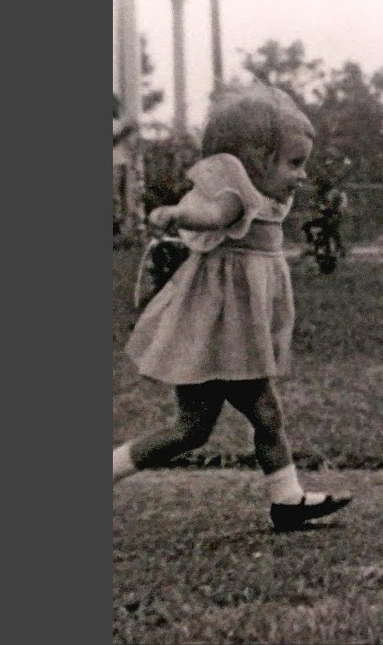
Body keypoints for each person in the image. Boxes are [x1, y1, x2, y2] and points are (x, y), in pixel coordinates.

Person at [112, 83, 353, 532]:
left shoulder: (268, 198)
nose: (302, 174)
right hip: (222, 331)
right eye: (293, 163)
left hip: (228, 331)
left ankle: (286, 499)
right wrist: (178, 214)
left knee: (195, 429)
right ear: (255, 161)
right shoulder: (236, 195)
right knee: (257, 413)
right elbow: (212, 217)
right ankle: (286, 499)